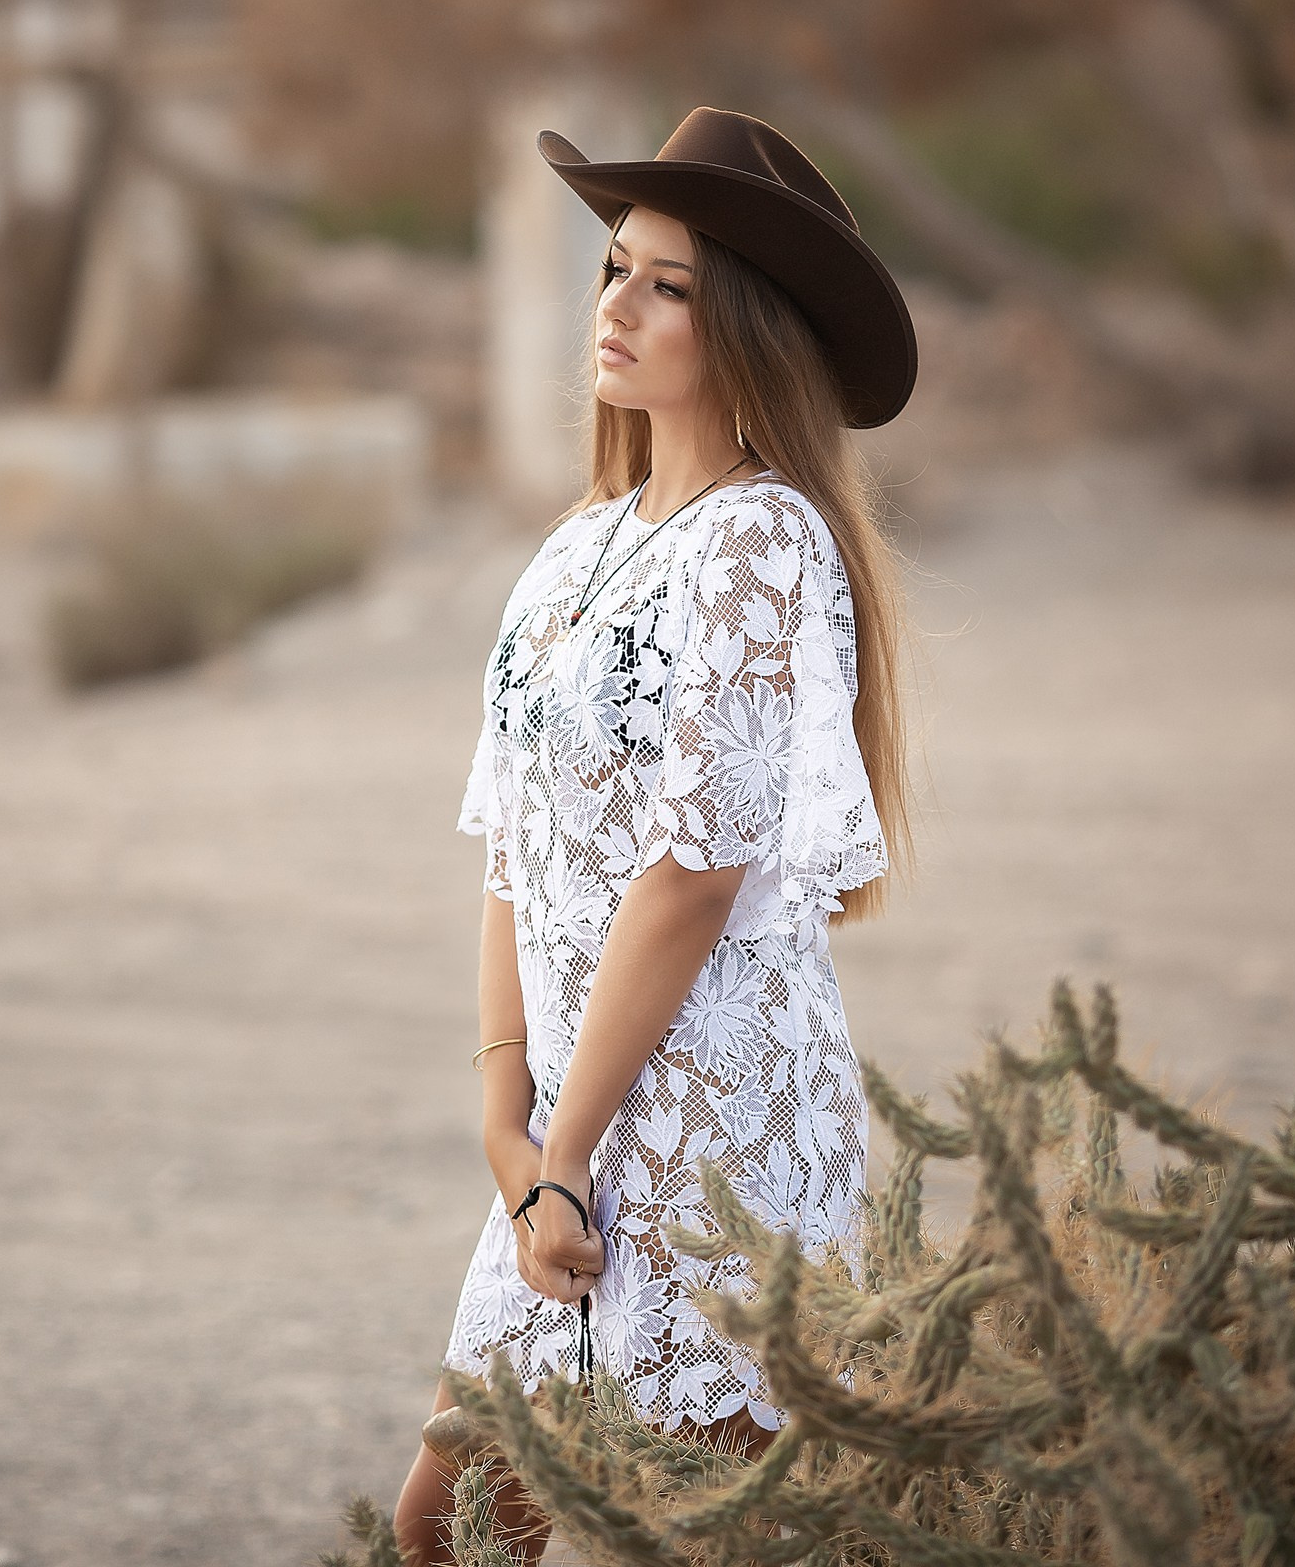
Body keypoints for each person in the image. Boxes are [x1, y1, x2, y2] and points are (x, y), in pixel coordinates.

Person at [394, 109, 921, 1566]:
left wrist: (559, 1150)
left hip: (715, 1144)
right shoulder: (579, 544)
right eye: (612, 269)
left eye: (666, 284)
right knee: (436, 1537)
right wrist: (507, 1128)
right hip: (573, 1140)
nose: (613, 307)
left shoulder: (766, 540)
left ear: (743, 325)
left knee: (717, 1540)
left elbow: (694, 875)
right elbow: (512, 847)